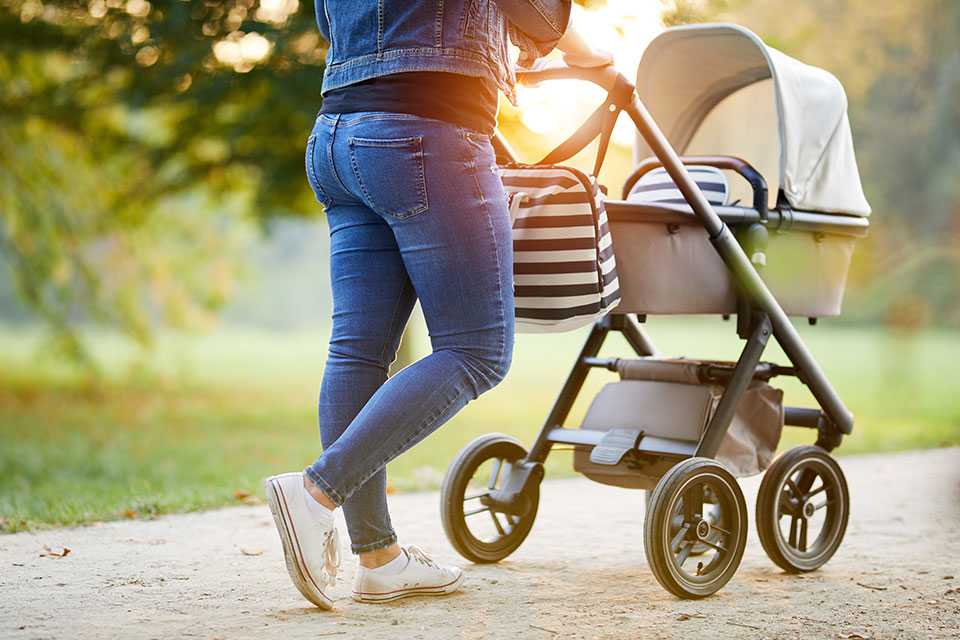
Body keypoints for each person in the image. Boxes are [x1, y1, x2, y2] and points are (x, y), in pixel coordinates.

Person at [264, 0, 613, 608]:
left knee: (358, 353)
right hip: (426, 131)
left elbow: (331, 20)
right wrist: (593, 55)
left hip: (336, 137)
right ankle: (317, 492)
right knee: (477, 351)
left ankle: (379, 560)